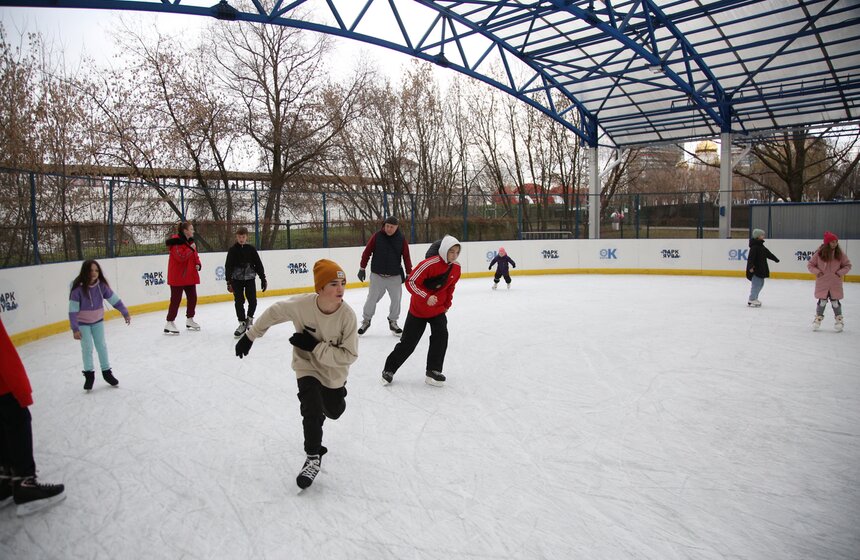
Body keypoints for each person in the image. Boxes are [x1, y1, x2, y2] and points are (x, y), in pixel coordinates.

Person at [234, 259, 357, 490]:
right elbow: (274, 312)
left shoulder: (347, 316)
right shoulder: (302, 305)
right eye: (333, 283)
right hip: (307, 365)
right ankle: (312, 457)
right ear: (319, 288)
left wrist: (315, 346)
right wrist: (251, 336)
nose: (340, 288)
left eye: (342, 283)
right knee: (310, 407)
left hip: (333, 373)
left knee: (334, 411)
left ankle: (329, 401)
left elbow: (349, 355)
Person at [0, 317, 66, 516]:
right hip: (3, 385)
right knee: (16, 420)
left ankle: (5, 479)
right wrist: (21, 388)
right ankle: (24, 482)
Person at [381, 234, 461, 387]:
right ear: (444, 250)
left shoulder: (456, 268)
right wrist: (426, 296)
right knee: (408, 343)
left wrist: (446, 306)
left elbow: (450, 288)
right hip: (419, 310)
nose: (454, 255)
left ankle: (433, 371)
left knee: (441, 336)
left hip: (438, 310)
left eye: (457, 252)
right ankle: (389, 369)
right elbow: (410, 282)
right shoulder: (429, 264)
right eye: (452, 252)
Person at [68, 259, 131, 391]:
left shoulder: (101, 286)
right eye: (91, 270)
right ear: (85, 271)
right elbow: (73, 310)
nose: (94, 273)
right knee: (87, 348)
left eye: (96, 270)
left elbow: (114, 300)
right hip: (83, 324)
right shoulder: (77, 290)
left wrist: (124, 312)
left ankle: (107, 373)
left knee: (101, 346)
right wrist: (75, 329)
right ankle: (89, 375)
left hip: (98, 322)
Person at [357, 216, 413, 337]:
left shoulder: (401, 239)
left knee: (396, 300)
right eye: (387, 226)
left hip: (394, 276)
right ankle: (366, 321)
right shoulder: (377, 236)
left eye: (391, 227)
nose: (388, 229)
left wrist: (409, 273)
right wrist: (362, 268)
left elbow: (406, 256)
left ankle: (393, 321)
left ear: (397, 227)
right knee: (371, 299)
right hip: (377, 275)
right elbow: (367, 252)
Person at [224, 226, 267, 338]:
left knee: (253, 301)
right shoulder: (233, 250)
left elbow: (258, 264)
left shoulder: (251, 249)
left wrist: (263, 278)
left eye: (243, 237)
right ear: (236, 237)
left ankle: (249, 319)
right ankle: (242, 323)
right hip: (236, 280)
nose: (241, 239)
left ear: (247, 237)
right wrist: (228, 281)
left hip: (250, 279)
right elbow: (228, 266)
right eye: (239, 237)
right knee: (239, 301)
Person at [808, 231, 852, 332]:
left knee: (835, 302)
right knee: (822, 301)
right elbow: (810, 265)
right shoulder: (819, 254)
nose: (835, 243)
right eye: (832, 242)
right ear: (827, 243)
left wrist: (839, 273)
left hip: (835, 283)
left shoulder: (840, 254)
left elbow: (847, 265)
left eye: (836, 242)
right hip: (822, 282)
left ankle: (839, 320)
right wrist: (817, 272)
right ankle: (818, 318)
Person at [164, 221, 202, 334]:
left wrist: (198, 264)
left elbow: (195, 255)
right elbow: (180, 257)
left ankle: (190, 319)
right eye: (191, 229)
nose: (193, 231)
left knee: (192, 298)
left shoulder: (190, 242)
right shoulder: (176, 242)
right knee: (176, 300)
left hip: (189, 276)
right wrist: (190, 249)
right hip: (177, 276)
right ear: (185, 231)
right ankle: (169, 322)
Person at [746, 228, 779, 307]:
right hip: (755, 269)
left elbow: (768, 254)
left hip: (761, 269)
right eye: (762, 235)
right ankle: (752, 298)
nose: (763, 236)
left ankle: (755, 298)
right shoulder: (754, 247)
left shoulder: (761, 246)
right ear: (757, 236)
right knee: (756, 284)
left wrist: (775, 259)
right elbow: (750, 258)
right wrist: (750, 267)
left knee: (761, 284)